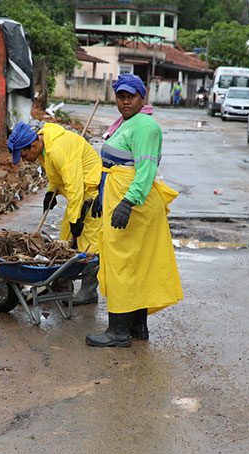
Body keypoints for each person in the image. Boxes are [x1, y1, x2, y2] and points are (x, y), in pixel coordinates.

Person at [86, 74, 183, 347]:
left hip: (133, 205)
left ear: (143, 97)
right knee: (136, 265)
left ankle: (118, 331)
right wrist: (100, 196)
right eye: (121, 96)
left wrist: (128, 202)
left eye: (131, 96)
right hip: (121, 200)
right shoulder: (128, 123)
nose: (125, 101)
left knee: (122, 265)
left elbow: (146, 169)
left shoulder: (145, 127)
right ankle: (138, 327)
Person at [7, 121, 102, 305]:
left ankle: (89, 292)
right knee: (65, 240)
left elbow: (74, 187)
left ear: (33, 145)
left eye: (24, 154)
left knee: (89, 244)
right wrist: (52, 191)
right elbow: (57, 175)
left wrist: (76, 220)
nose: (25, 159)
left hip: (90, 193)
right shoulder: (43, 149)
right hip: (78, 195)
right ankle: (61, 285)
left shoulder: (57, 150)